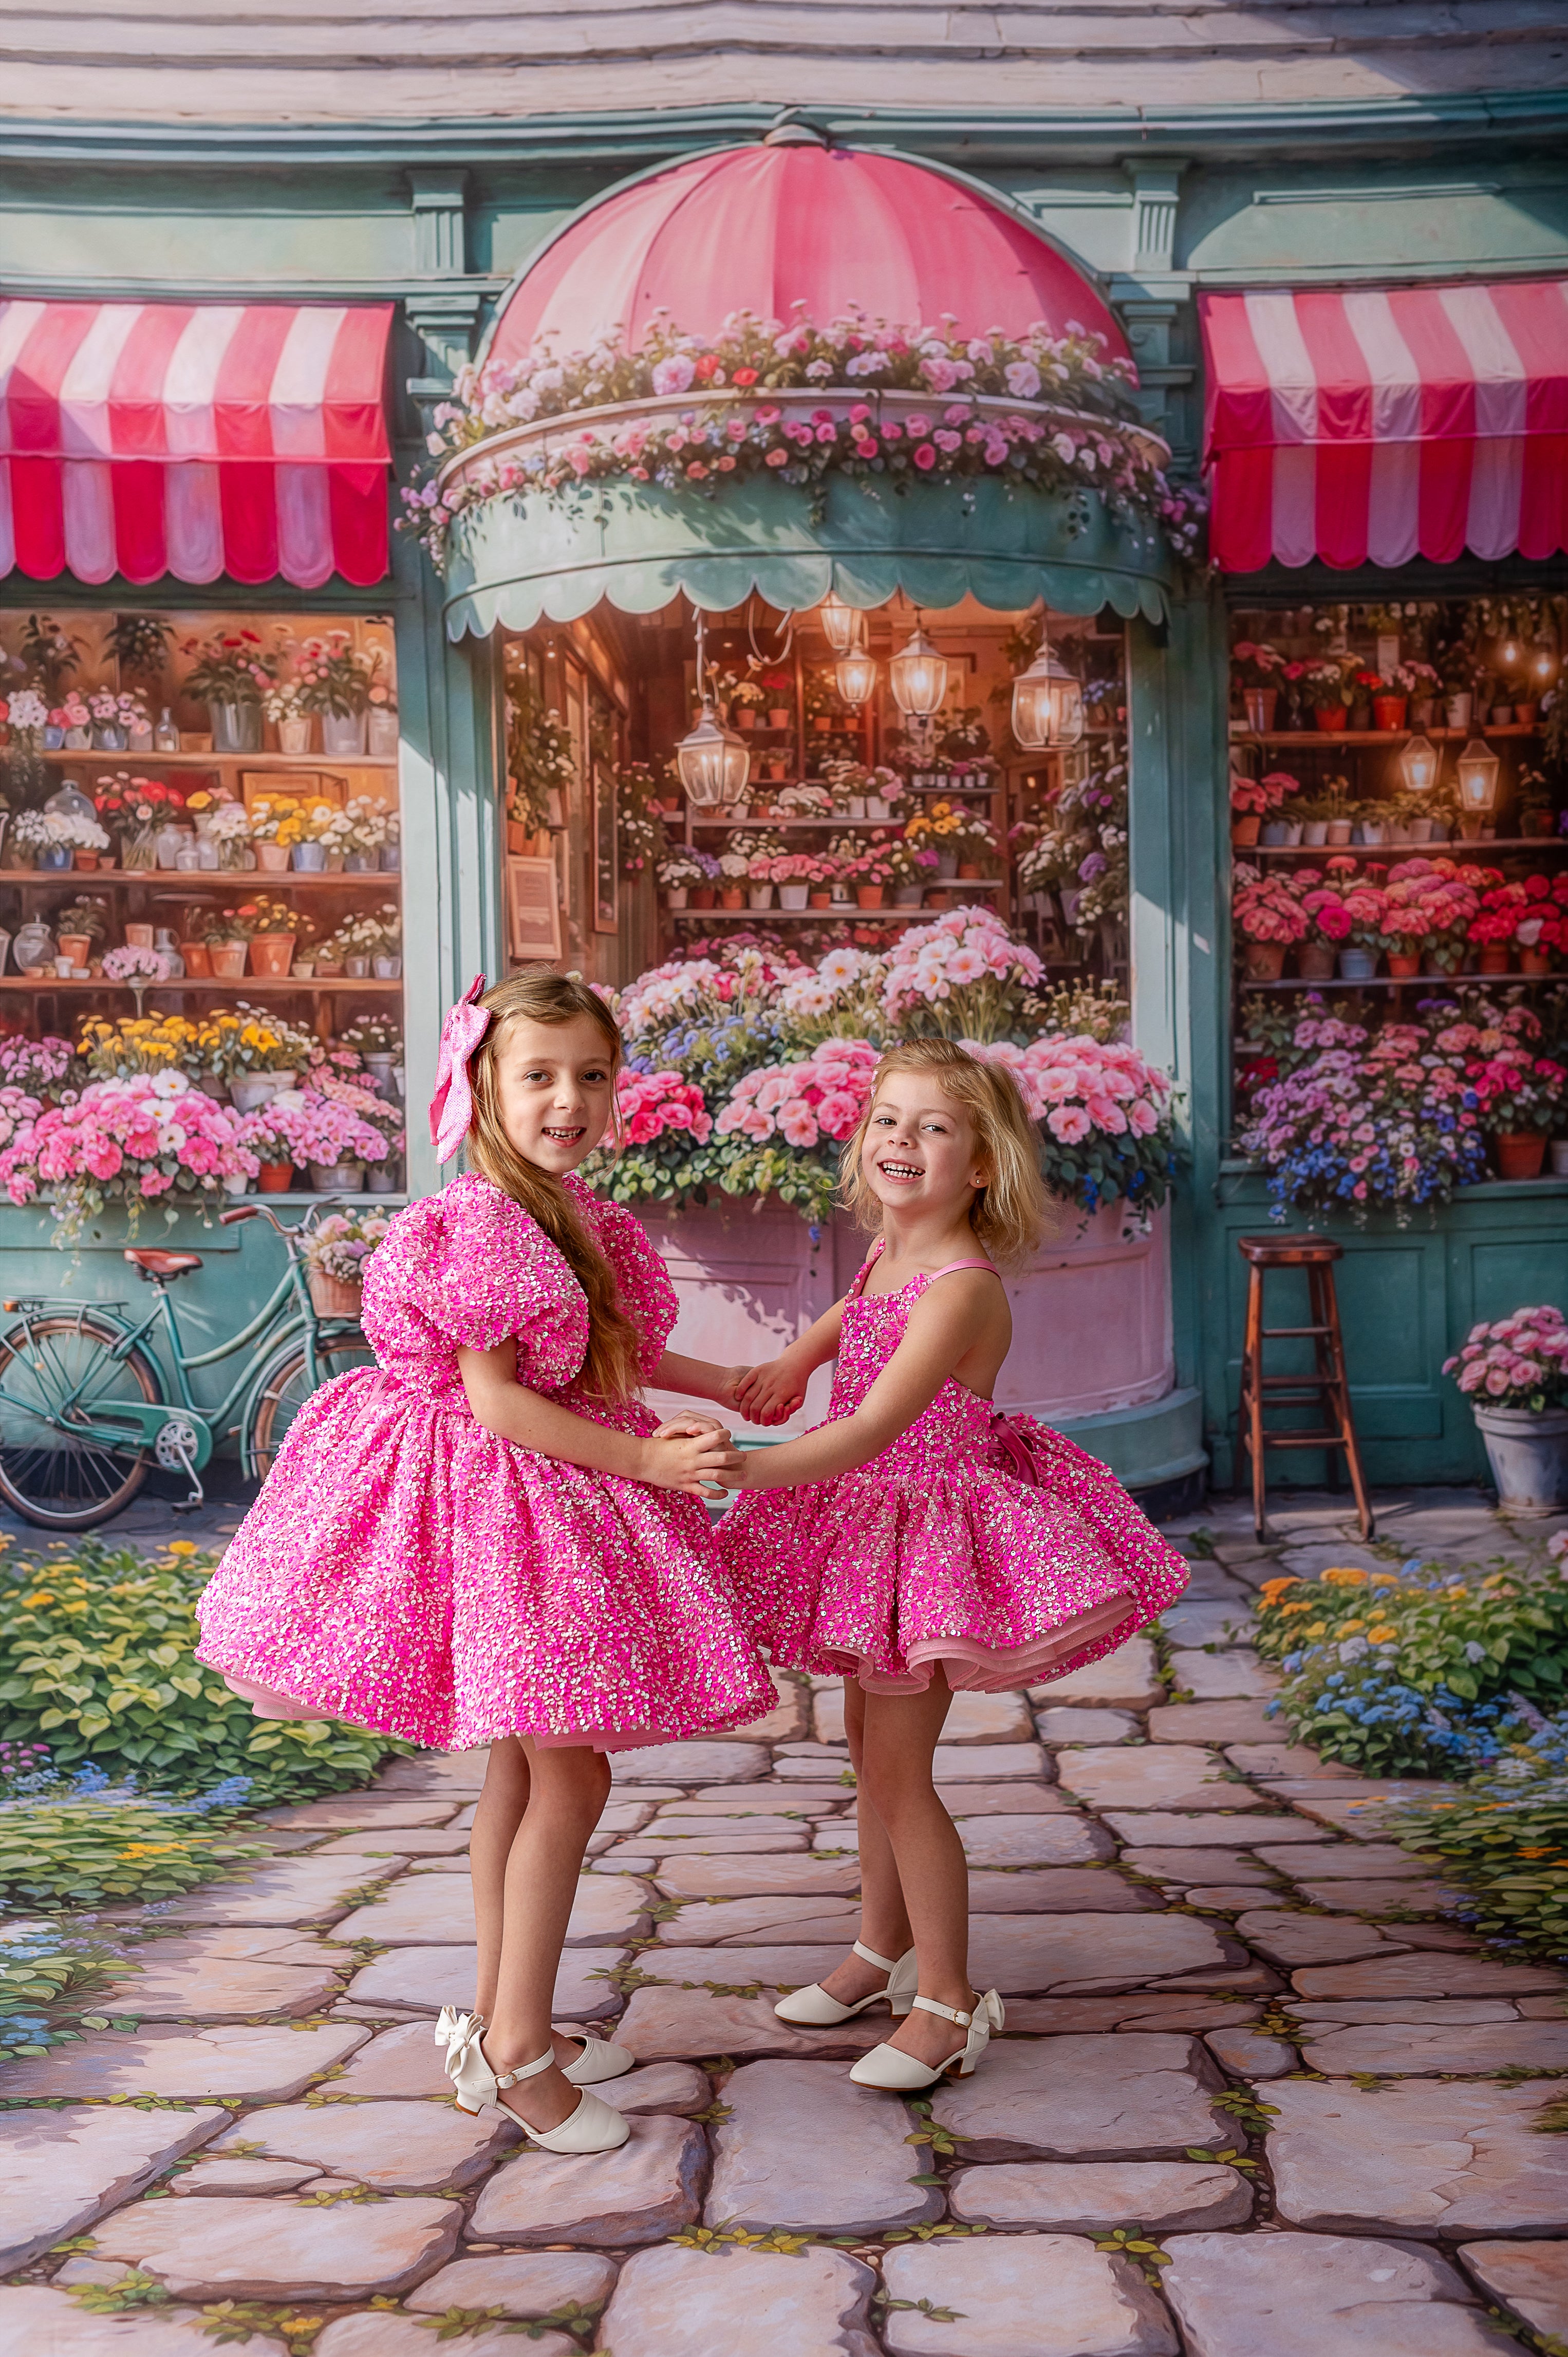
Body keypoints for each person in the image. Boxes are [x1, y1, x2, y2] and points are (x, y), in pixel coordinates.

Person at [196, 970, 774, 2155]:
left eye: (591, 1074)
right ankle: (514, 2048)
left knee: (525, 1767)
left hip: (535, 1499)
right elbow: (503, 1405)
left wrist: (725, 1384)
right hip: (500, 1504)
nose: (568, 1098)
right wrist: (652, 1469)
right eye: (538, 1075)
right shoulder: (483, 1225)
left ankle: (521, 2018)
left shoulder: (574, 1213)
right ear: (481, 1084)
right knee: (571, 1776)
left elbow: (617, 1348)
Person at [718, 1037, 1188, 2091]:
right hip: (866, 1533)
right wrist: (803, 1351)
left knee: (897, 1769)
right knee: (864, 1749)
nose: (902, 1139)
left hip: (920, 1529)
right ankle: (875, 1951)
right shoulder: (892, 1254)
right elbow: (862, 1309)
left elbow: (866, 1432)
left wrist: (739, 1472)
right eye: (888, 1118)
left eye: (934, 1126)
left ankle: (946, 1999)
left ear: (981, 1164)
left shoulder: (966, 1288)